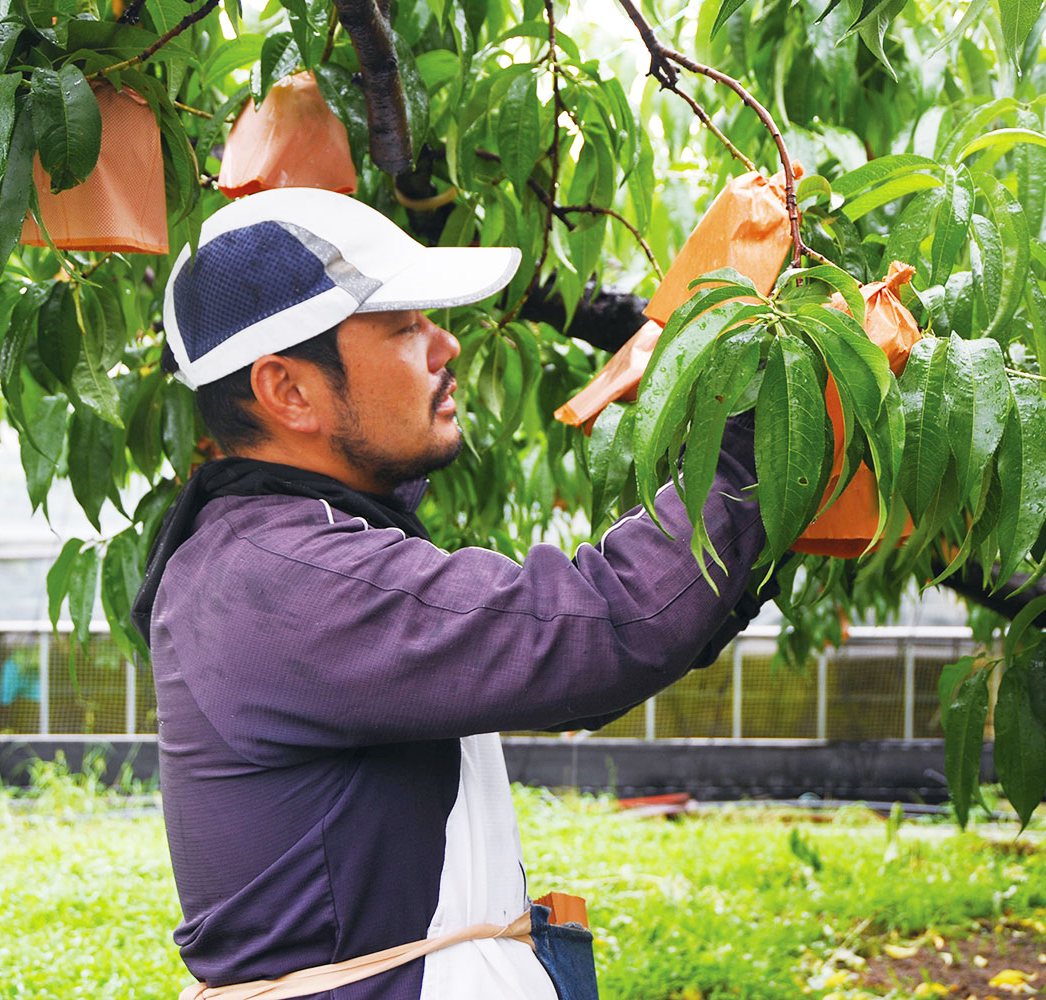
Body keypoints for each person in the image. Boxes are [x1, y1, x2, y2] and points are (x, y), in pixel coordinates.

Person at [130, 188, 769, 1000]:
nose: (448, 345)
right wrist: (759, 431)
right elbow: (604, 626)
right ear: (289, 391)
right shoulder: (282, 581)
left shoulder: (289, 551)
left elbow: (585, 660)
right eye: (403, 327)